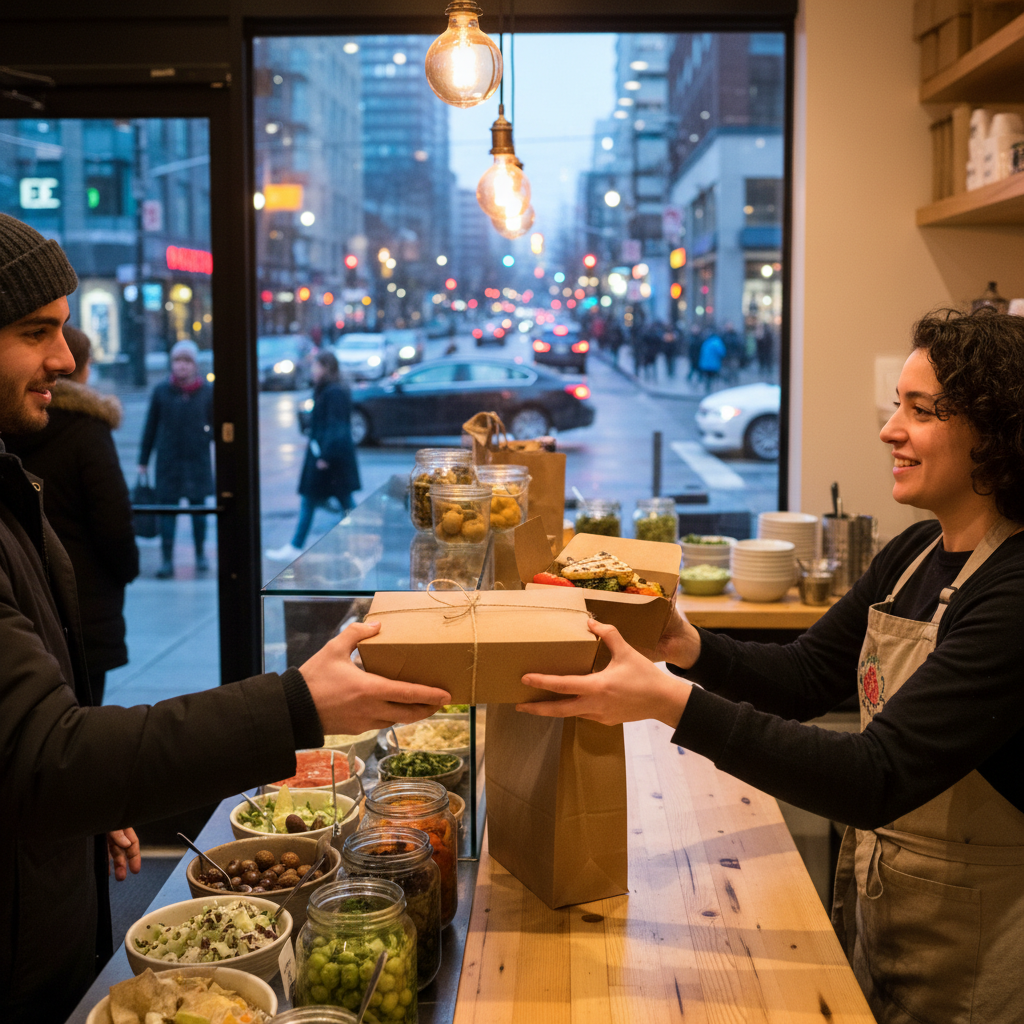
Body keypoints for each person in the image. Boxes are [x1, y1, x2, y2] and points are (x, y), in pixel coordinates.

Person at [0, 213, 450, 1024]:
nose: (65, 360)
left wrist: (98, 807)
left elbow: (38, 737)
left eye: (63, 331)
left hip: (49, 927)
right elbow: (40, 761)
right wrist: (297, 705)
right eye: (38, 332)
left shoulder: (9, 479)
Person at [519, 308, 1024, 1024]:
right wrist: (686, 648)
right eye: (896, 405)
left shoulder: (1014, 595)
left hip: (981, 964)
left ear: (995, 431)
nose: (890, 429)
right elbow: (805, 675)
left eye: (922, 410)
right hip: (892, 922)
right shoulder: (911, 552)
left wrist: (667, 701)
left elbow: (873, 778)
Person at [4, 324, 138, 705]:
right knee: (81, 712)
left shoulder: (15, 425)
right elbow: (112, 517)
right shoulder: (87, 429)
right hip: (84, 596)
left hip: (39, 594)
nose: (63, 360)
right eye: (36, 333)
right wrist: (125, 569)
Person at [266, 350, 361, 562]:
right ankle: (299, 545)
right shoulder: (328, 390)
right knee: (338, 501)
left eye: (315, 366)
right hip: (329, 457)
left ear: (325, 367)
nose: (312, 370)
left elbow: (335, 426)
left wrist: (325, 456)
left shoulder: (332, 392)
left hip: (329, 458)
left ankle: (296, 545)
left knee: (319, 500)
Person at [137, 338, 214, 578]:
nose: (181, 366)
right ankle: (167, 559)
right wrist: (143, 460)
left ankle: (200, 554)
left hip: (196, 461)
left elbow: (217, 426)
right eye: (177, 361)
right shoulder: (161, 391)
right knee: (166, 513)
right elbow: (150, 427)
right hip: (168, 462)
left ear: (195, 365)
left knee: (198, 512)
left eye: (186, 361)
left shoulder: (207, 392)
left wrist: (206, 437)